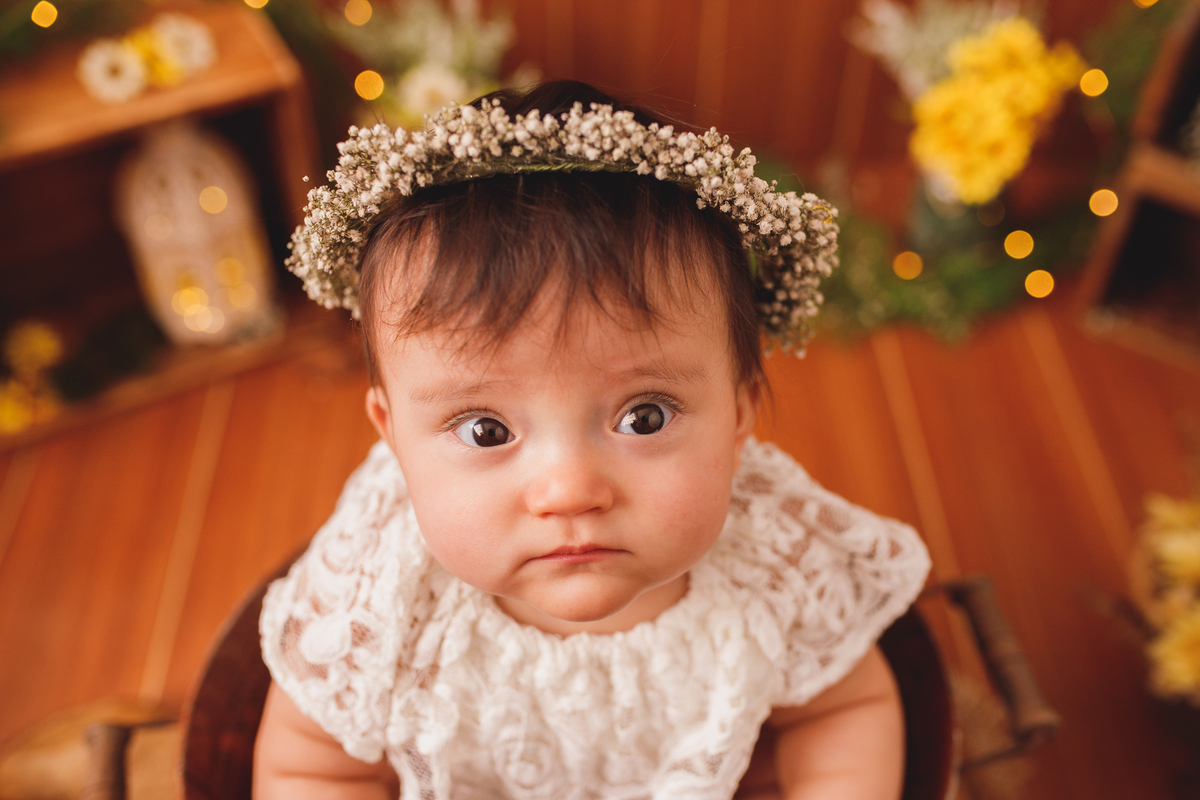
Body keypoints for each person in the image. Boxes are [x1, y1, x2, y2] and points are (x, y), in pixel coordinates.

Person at [254, 80, 931, 800]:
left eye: (644, 417)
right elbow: (313, 767)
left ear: (739, 417)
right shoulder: (378, 592)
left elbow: (845, 709)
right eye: (487, 430)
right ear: (393, 438)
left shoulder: (771, 558)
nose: (570, 488)